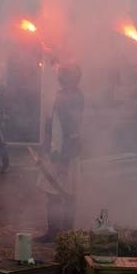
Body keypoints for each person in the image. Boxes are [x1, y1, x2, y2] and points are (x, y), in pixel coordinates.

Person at [37, 63, 84, 243]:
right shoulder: (66, 95)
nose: (58, 76)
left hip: (66, 154)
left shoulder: (72, 97)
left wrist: (63, 158)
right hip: (58, 151)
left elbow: (72, 131)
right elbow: (53, 125)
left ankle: (63, 232)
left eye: (62, 74)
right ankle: (58, 231)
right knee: (55, 193)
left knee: (66, 194)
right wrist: (46, 147)